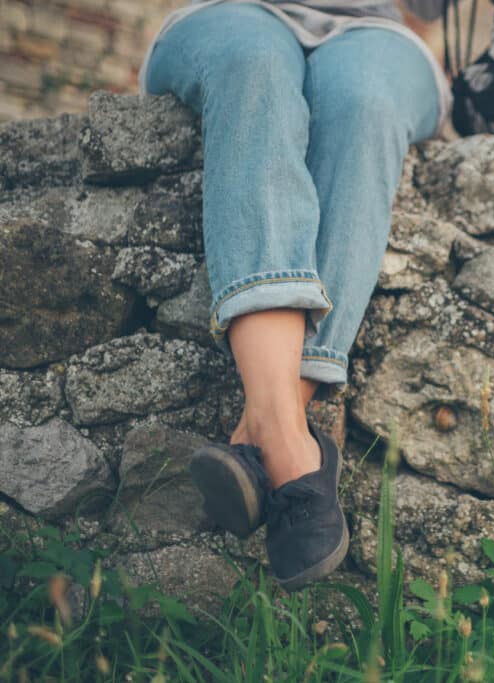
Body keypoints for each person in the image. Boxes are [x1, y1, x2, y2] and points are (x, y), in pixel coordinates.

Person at [139, 0, 452, 591]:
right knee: (252, 65)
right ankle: (291, 450)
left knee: (365, 106)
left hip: (376, 29)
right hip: (229, 12)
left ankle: (260, 439)